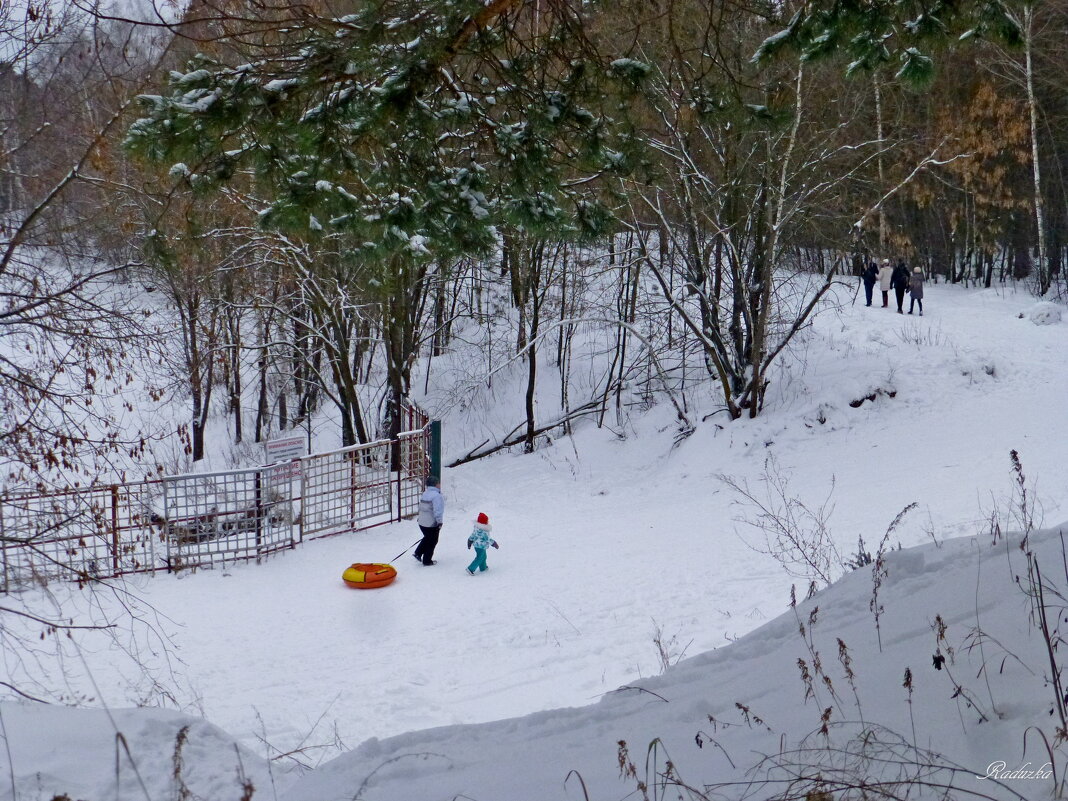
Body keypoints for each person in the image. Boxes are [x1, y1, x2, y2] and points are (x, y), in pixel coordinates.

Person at [414, 475, 444, 566]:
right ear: (435, 484)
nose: (439, 484)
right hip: (431, 523)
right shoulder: (437, 496)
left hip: (422, 522)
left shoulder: (425, 493)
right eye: (438, 483)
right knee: (433, 541)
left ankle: (418, 553)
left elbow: (421, 507)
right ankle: (427, 560)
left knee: (427, 537)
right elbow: (437, 510)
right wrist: (439, 521)